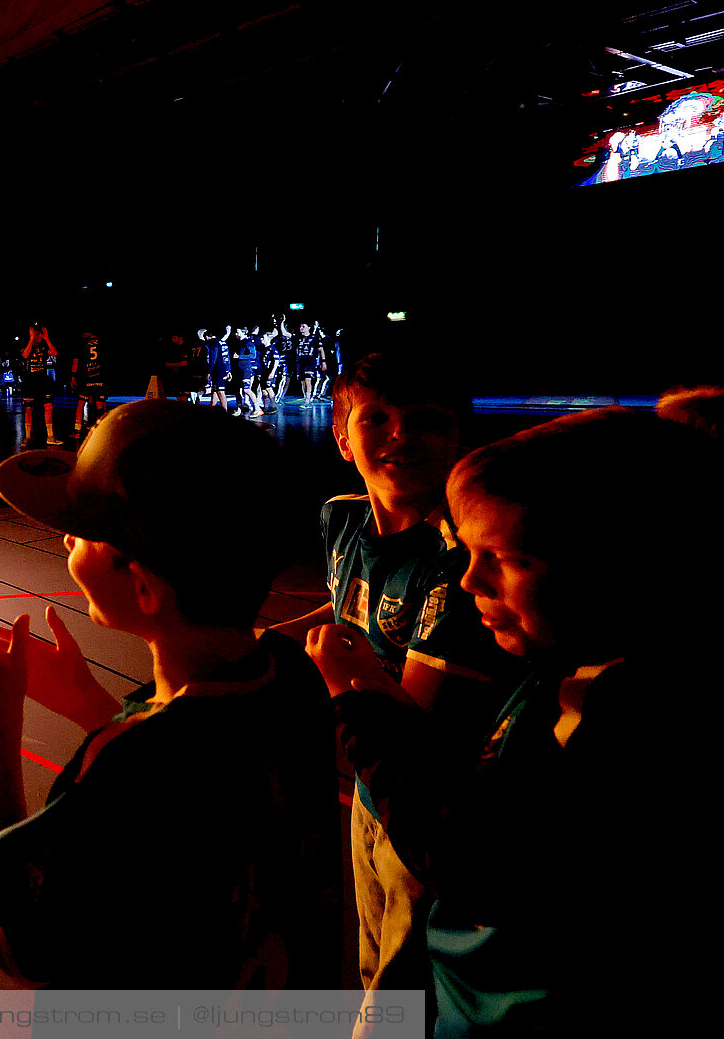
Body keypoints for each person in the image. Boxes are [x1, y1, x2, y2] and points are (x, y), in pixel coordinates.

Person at [306, 409, 718, 1035]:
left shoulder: (631, 729)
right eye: (470, 554)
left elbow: (475, 866)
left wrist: (359, 703)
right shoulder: (558, 668)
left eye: (504, 557)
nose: (471, 578)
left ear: (616, 566)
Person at [0, 400, 340, 988]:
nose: (66, 542)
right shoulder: (293, 676)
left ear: (145, 587)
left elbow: (18, 946)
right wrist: (86, 702)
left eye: (85, 535)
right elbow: (193, 775)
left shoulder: (124, 763)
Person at [268, 352, 523, 1030]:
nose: (400, 435)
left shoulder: (457, 557)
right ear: (341, 435)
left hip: (430, 789)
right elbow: (342, 611)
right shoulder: (339, 517)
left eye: (426, 422)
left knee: (405, 986)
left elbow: (419, 718)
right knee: (373, 947)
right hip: (372, 778)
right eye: (376, 418)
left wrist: (321, 685)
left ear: (458, 439)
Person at [19, 323, 57, 446]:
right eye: (34, 332)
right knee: (29, 408)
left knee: (49, 406)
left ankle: (50, 436)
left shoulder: (44, 344)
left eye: (38, 332)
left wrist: (46, 338)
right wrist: (31, 339)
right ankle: (28, 437)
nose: (36, 335)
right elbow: (25, 355)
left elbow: (54, 352)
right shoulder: (26, 344)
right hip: (30, 380)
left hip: (43, 379)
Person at [70, 328, 106, 440]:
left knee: (81, 403)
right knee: (100, 404)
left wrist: (73, 376)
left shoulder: (82, 341)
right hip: (100, 376)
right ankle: (102, 430)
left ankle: (77, 431)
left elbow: (76, 361)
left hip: (86, 376)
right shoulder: (100, 340)